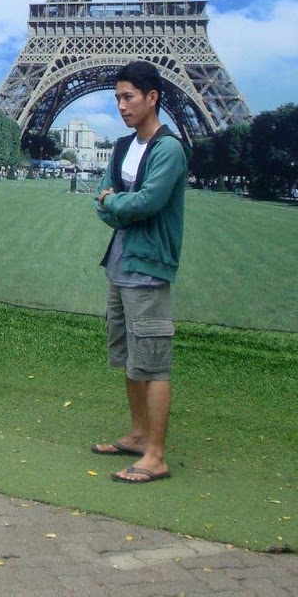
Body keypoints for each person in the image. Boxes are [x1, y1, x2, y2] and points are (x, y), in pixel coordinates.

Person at [91, 60, 188, 484]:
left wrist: (114, 204)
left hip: (148, 268)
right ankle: (137, 435)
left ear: (153, 98)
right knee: (129, 356)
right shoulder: (121, 146)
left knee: (152, 361)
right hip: (120, 263)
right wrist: (114, 205)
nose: (121, 105)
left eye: (128, 97)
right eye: (117, 98)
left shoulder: (169, 149)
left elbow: (146, 203)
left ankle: (156, 454)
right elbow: (104, 201)